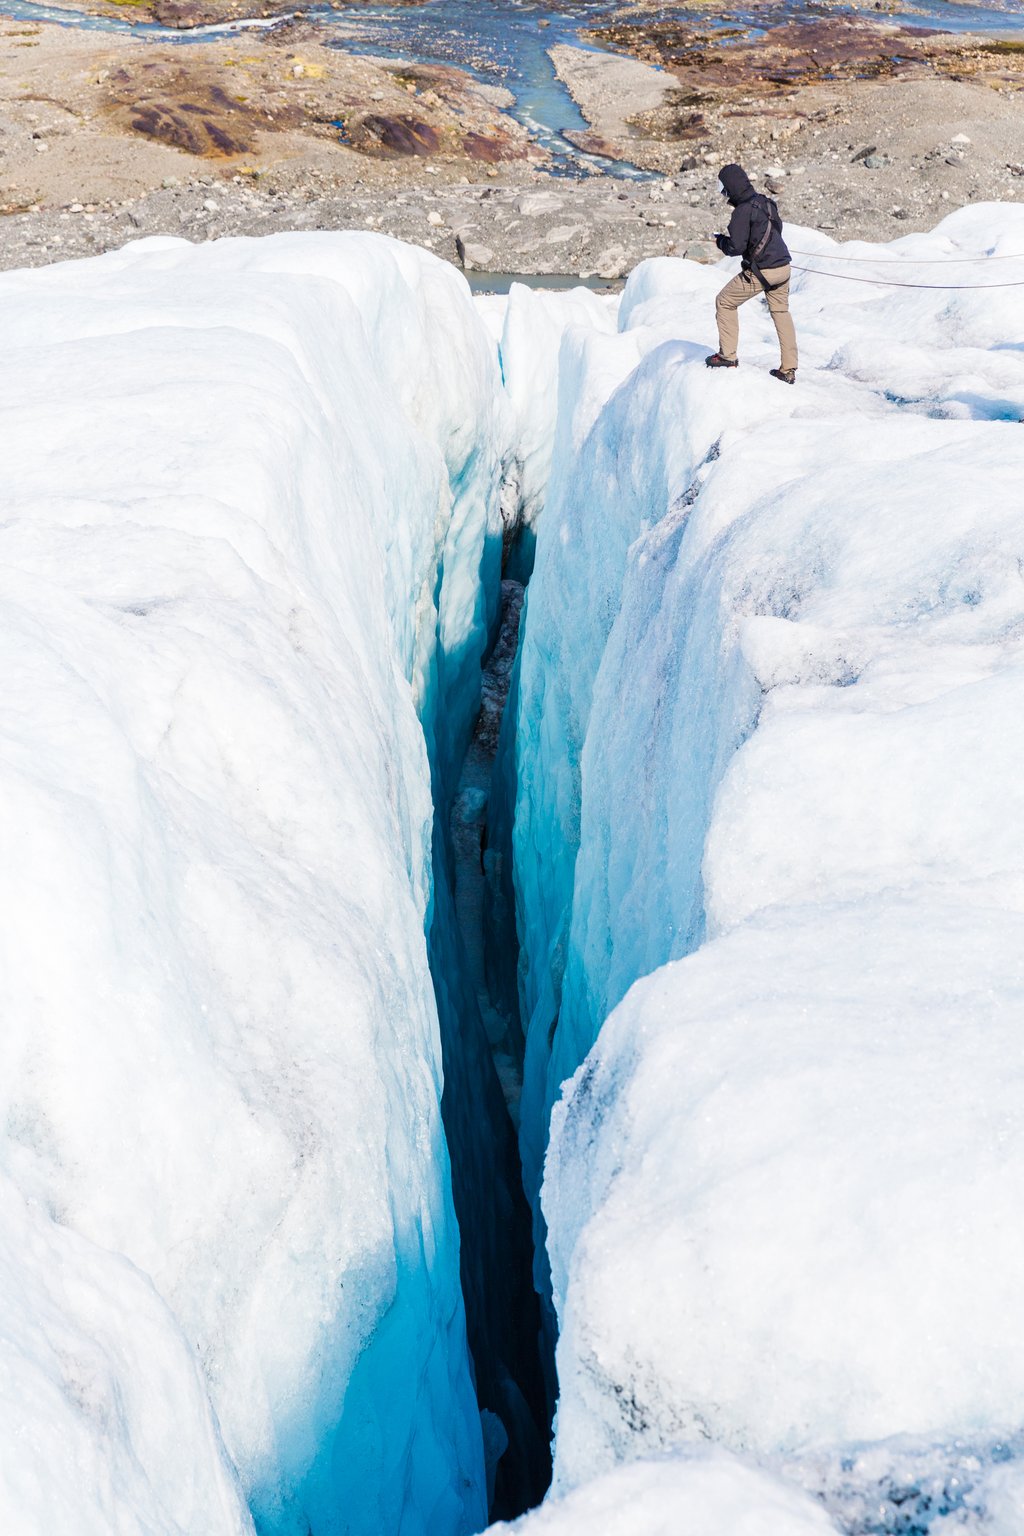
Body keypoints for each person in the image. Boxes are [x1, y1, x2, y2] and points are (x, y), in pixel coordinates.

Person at [705, 163, 798, 385]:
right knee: (781, 312)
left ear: (730, 188)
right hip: (783, 266)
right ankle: (788, 369)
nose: (723, 193)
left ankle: (727, 356)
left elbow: (735, 248)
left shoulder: (741, 211)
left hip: (762, 270)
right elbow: (777, 229)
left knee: (725, 302)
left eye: (723, 188)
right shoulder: (767, 202)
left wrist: (719, 240)